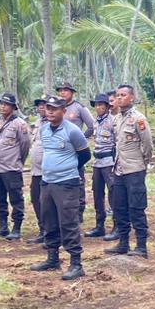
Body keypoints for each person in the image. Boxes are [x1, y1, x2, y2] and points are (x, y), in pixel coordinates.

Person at [28, 95, 90, 280]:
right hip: (47, 182)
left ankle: (76, 263)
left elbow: (85, 155)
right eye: (48, 108)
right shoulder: (44, 130)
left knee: (68, 222)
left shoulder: (73, 131)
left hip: (67, 183)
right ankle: (52, 258)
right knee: (49, 221)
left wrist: (68, 167)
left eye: (55, 109)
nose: (51, 112)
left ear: (64, 111)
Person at [106, 84, 154, 258]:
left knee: (137, 208)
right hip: (119, 169)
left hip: (134, 170)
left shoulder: (138, 119)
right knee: (119, 207)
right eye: (118, 95)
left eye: (123, 95)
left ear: (132, 98)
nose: (119, 98)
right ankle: (123, 243)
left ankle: (141, 246)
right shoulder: (117, 118)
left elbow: (147, 144)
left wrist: (143, 163)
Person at [0, 93, 31, 240]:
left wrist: (19, 160)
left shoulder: (20, 123)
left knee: (16, 199)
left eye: (6, 104)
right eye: (1, 103)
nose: (3, 106)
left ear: (13, 107)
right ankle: (2, 226)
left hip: (11, 168)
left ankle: (16, 227)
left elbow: (25, 144)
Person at [57, 82, 94, 219]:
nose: (63, 93)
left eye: (66, 90)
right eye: (60, 90)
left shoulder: (79, 108)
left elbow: (91, 126)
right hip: (59, 152)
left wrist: (81, 140)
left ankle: (79, 210)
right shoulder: (57, 108)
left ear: (72, 92)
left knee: (77, 179)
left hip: (74, 151)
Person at [85, 92, 116, 237]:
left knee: (113, 194)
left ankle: (117, 225)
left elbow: (116, 143)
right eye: (96, 105)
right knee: (97, 194)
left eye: (101, 105)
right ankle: (99, 225)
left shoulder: (113, 121)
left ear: (107, 107)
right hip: (97, 162)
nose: (98, 107)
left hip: (109, 162)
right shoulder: (95, 122)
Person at [25, 98, 49, 245]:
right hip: (36, 171)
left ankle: (50, 232)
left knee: (47, 202)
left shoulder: (56, 124)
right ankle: (43, 229)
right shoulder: (38, 122)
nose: (41, 108)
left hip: (49, 172)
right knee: (35, 199)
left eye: (44, 105)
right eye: (39, 105)